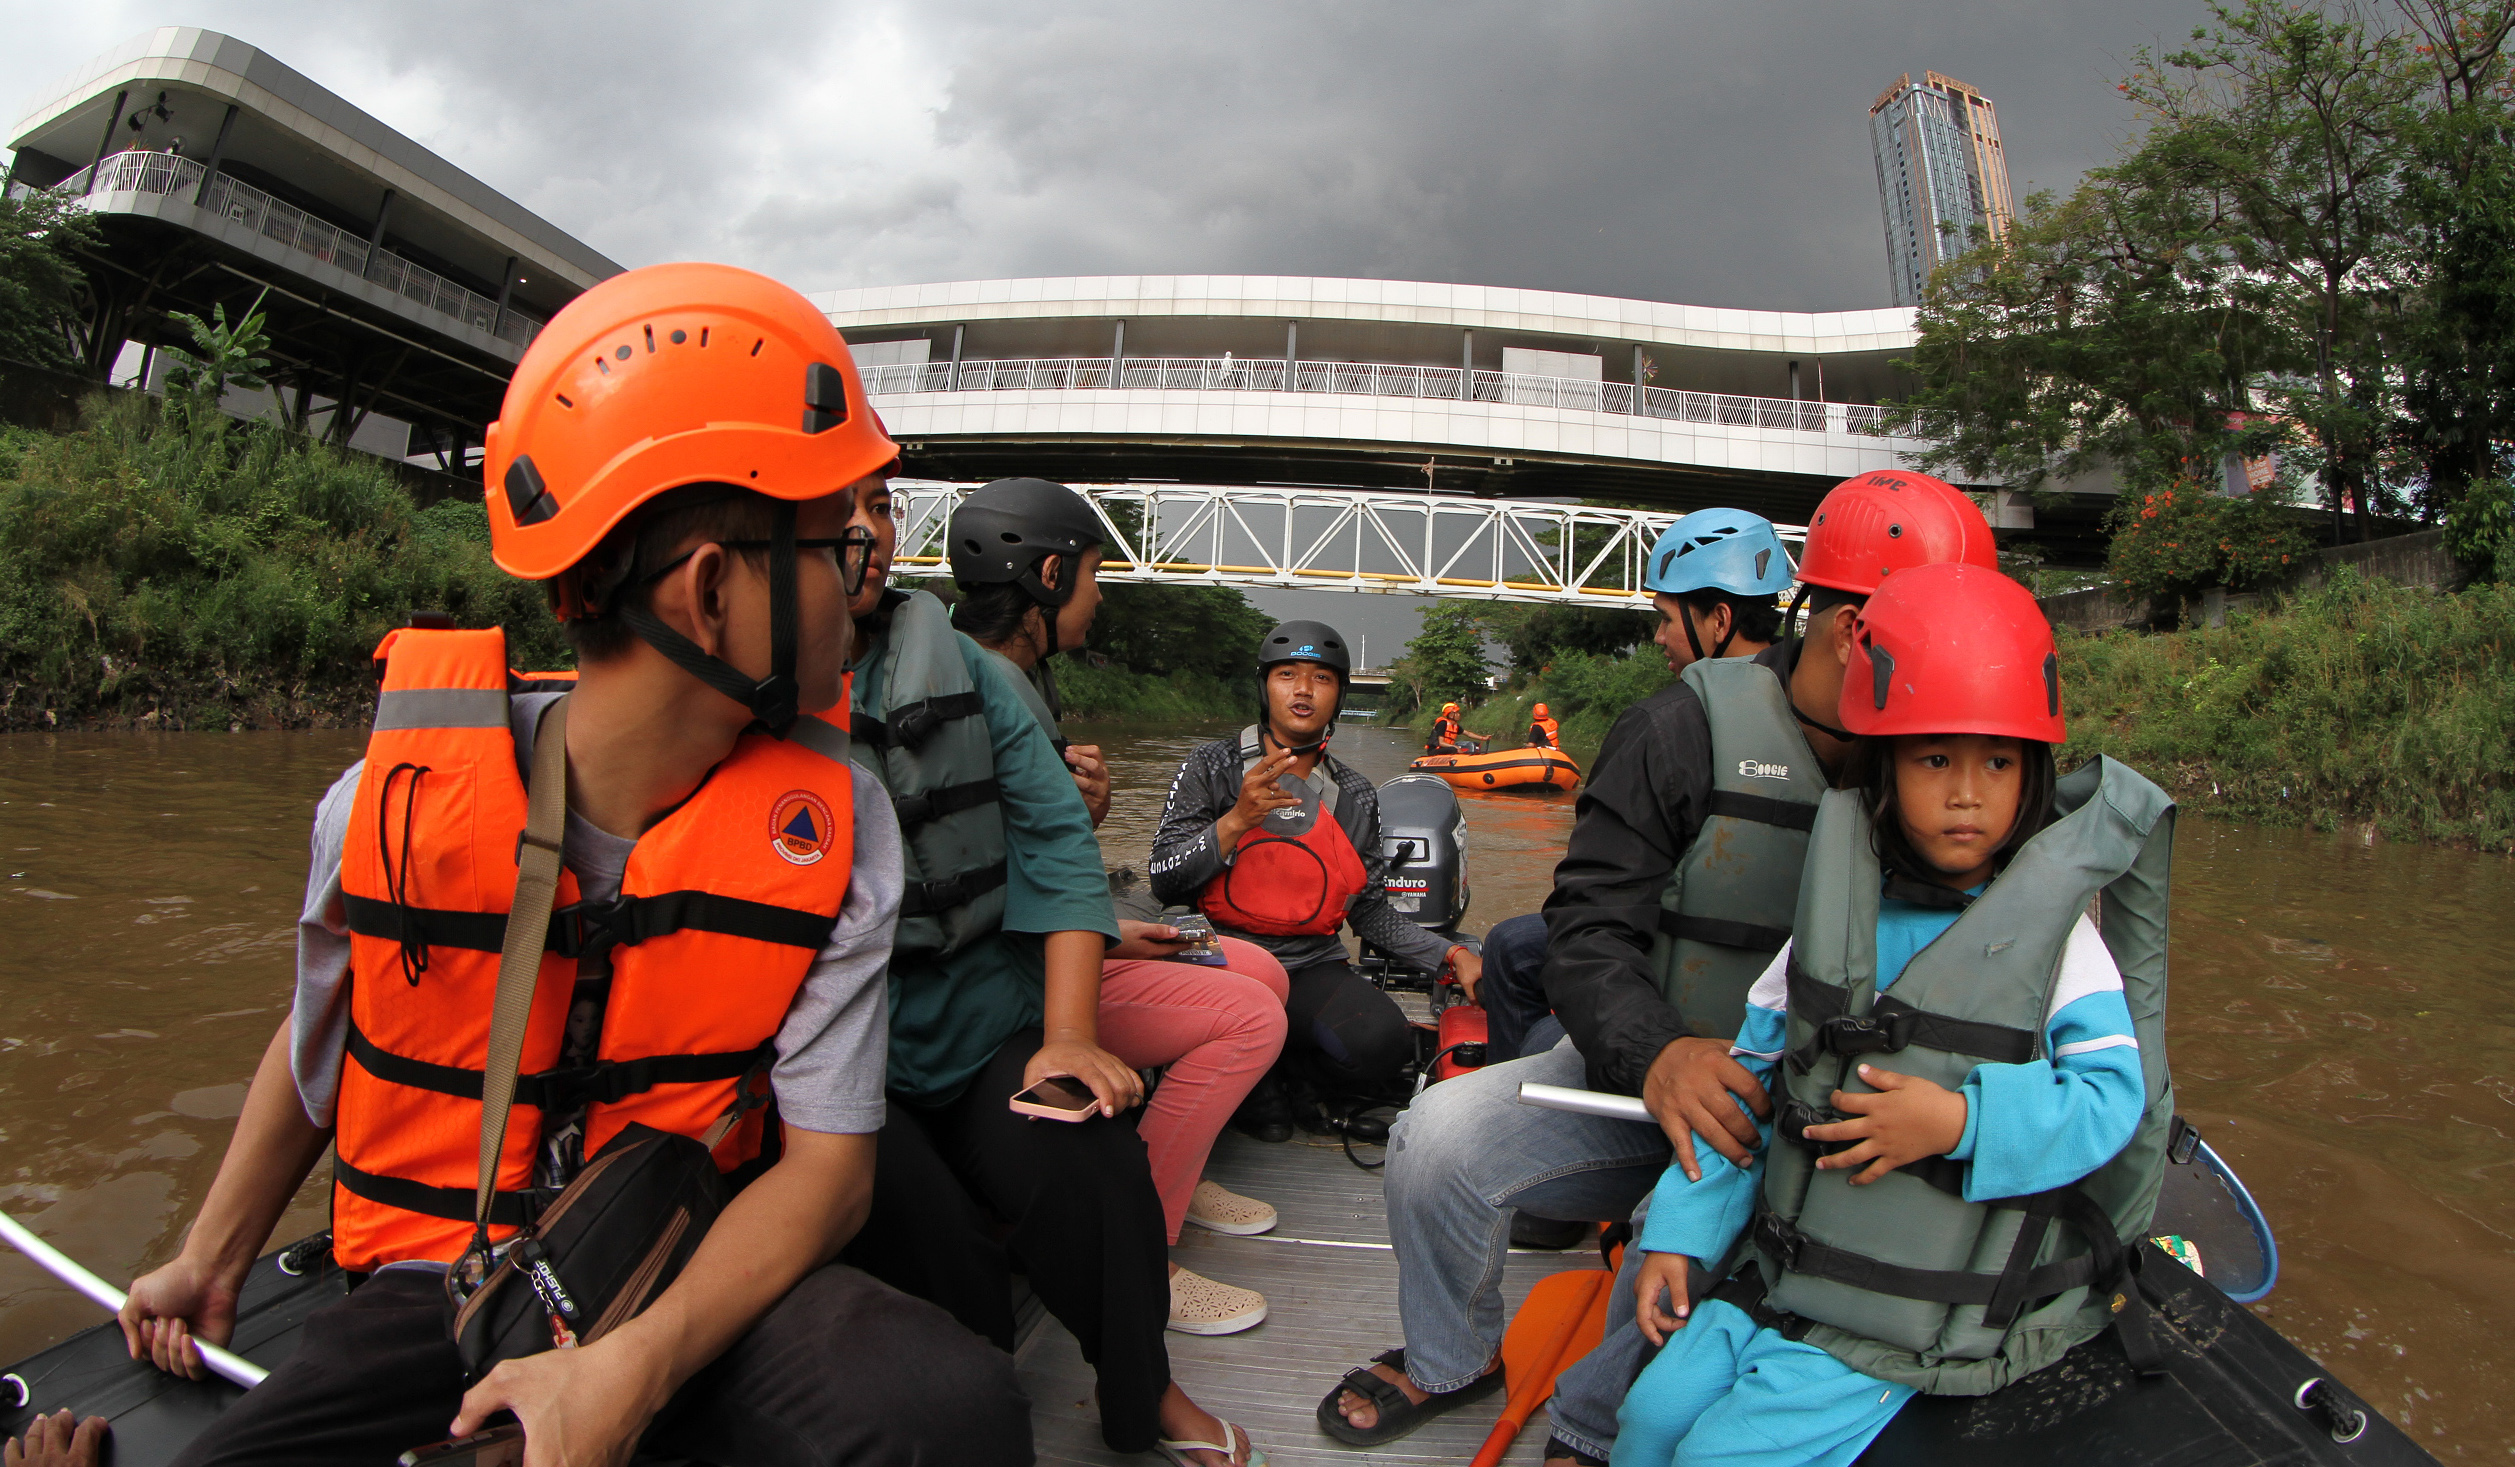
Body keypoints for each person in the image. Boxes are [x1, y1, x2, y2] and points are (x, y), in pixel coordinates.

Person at [114, 262, 1031, 1467]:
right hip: (438, 1284)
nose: (859, 582)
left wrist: (631, 1367)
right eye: (826, 542)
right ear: (712, 592)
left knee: (945, 1408)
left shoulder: (836, 827)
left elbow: (828, 1179)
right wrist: (212, 1255)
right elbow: (327, 1042)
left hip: (685, 1253)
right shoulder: (382, 806)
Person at [1319, 474, 2000, 1463]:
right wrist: (1659, 1053)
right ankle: (1452, 1356)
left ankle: (1592, 1427)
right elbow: (1587, 932)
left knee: (1675, 1233)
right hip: (1656, 1078)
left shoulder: (1953, 768)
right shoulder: (1677, 731)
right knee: (1436, 1140)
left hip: (1824, 1128)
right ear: (1856, 628)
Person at [1611, 562, 2173, 1467]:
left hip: (1899, 1321)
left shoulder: (2061, 943)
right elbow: (1748, 1087)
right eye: (1934, 759)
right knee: (1646, 1419)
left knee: (1715, 1457)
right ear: (1885, 769)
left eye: (1996, 761)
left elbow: (2111, 1099)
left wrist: (1961, 1120)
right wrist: (1679, 1234)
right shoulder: (1831, 924)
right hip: (1778, 1273)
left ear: (2030, 775)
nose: (1965, 792)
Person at [838, 476, 1267, 1466]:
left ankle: (1142, 1392)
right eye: (836, 507)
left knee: (1095, 1157)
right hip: (847, 1049)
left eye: (880, 504)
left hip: (979, 1019)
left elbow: (1058, 850)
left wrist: (1069, 1038)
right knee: (944, 1250)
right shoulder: (753, 688)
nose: (863, 529)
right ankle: (975, 1400)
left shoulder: (969, 674)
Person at [1149, 621, 1483, 1135]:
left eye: (1321, 679)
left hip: (1308, 962)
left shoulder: (1355, 794)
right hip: (1214, 955)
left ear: (1339, 695)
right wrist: (1235, 821)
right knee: (1267, 1122)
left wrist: (1452, 955)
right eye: (1287, 675)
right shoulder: (1211, 765)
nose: (1303, 690)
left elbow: (1370, 913)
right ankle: (1258, 1076)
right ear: (1265, 686)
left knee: (1383, 1044)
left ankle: (1285, 1070)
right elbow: (1164, 879)